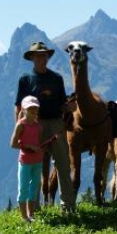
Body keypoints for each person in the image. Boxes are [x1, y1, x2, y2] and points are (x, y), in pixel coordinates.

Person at [15, 42, 76, 213]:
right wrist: (19, 129)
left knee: (63, 165)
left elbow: (62, 104)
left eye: (44, 55)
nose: (42, 58)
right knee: (34, 166)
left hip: (56, 124)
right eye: (38, 55)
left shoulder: (57, 79)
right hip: (35, 126)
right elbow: (19, 107)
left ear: (47, 57)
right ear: (32, 58)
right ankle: (34, 208)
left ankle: (68, 207)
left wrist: (69, 107)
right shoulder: (25, 80)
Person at [10, 96, 43, 222]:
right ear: (23, 109)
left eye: (35, 107)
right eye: (30, 108)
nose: (33, 110)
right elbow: (13, 144)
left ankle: (31, 214)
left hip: (37, 161)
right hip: (25, 161)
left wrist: (39, 148)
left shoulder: (38, 126)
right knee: (23, 188)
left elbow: (38, 143)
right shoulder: (21, 125)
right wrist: (28, 146)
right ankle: (24, 217)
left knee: (34, 187)